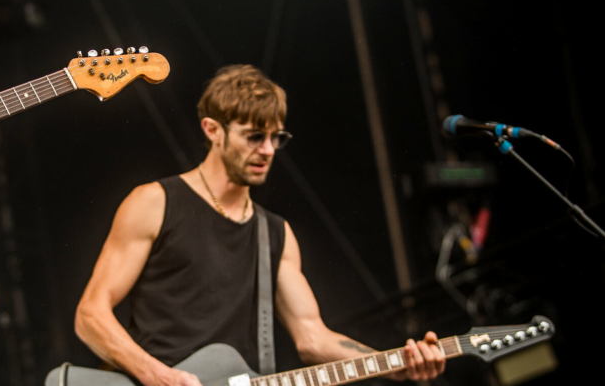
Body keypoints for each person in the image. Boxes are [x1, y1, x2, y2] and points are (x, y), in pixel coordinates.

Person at [74, 65, 446, 385]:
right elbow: (90, 315)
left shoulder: (275, 234)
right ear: (212, 130)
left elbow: (312, 337)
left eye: (275, 138)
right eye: (254, 136)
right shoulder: (155, 202)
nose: (268, 150)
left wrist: (394, 364)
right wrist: (160, 376)